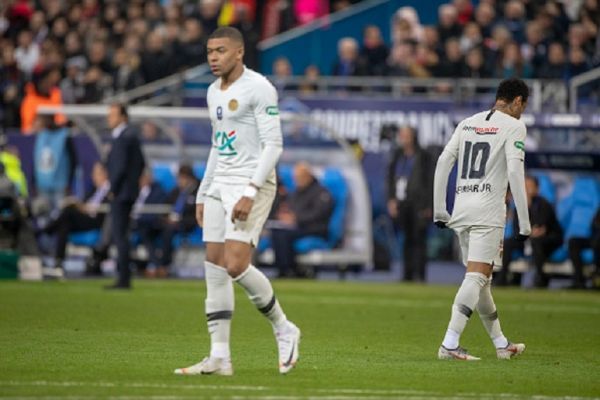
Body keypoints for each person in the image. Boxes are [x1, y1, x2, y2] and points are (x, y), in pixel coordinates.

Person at [174, 27, 300, 376]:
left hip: (251, 183)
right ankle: (219, 357)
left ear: (239, 53)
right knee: (213, 266)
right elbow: (218, 143)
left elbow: (274, 145)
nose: (213, 57)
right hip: (219, 183)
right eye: (210, 51)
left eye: (221, 51)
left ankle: (284, 326)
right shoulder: (213, 92)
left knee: (235, 264)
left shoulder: (259, 88)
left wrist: (250, 190)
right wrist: (203, 190)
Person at [433, 78, 531, 360]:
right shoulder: (514, 126)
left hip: (462, 208)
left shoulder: (467, 123)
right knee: (476, 277)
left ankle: (502, 344)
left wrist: (441, 208)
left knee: (482, 279)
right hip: (488, 212)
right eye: (522, 106)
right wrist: (524, 222)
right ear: (517, 101)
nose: (522, 112)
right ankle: (449, 344)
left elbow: (443, 162)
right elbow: (515, 173)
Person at [40, 162, 110, 275]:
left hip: (96, 221)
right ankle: (58, 261)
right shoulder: (93, 190)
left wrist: (83, 208)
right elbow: (84, 202)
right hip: (84, 217)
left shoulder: (109, 190)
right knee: (64, 224)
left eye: (96, 173)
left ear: (104, 174)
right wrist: (78, 205)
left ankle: (46, 230)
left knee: (68, 212)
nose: (93, 176)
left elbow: (104, 209)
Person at [105, 103, 145, 289]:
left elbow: (119, 167)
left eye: (113, 114)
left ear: (123, 117)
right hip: (128, 191)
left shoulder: (124, 137)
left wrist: (113, 188)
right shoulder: (131, 136)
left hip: (121, 193)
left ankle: (123, 279)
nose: (109, 118)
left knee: (120, 235)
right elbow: (141, 163)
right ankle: (124, 277)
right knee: (122, 235)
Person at [270, 162, 334, 278]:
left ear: (308, 176)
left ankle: (288, 269)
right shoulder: (296, 193)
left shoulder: (321, 193)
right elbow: (290, 208)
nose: (296, 180)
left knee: (284, 235)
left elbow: (319, 214)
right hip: (297, 227)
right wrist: (284, 216)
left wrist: (296, 219)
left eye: (299, 177)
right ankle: (285, 269)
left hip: (315, 228)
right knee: (277, 232)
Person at [387, 126, 433, 282]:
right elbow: (391, 179)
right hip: (403, 202)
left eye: (406, 135)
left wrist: (429, 205)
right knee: (406, 239)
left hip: (419, 204)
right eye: (402, 135)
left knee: (419, 239)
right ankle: (407, 275)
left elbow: (430, 181)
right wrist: (391, 199)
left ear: (413, 137)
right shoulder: (397, 156)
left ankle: (420, 275)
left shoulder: (423, 156)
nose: (403, 138)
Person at [499, 176, 563, 287]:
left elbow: (540, 229)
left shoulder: (544, 204)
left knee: (536, 241)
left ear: (537, 189)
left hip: (548, 240)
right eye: (525, 186)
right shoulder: (518, 206)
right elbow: (516, 230)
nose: (526, 189)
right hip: (527, 238)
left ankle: (540, 278)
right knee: (509, 242)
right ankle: (502, 278)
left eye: (529, 186)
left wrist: (528, 208)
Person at [568, 208, 600, 289]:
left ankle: (596, 272)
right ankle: (579, 281)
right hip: (596, 238)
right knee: (573, 242)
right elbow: (595, 223)